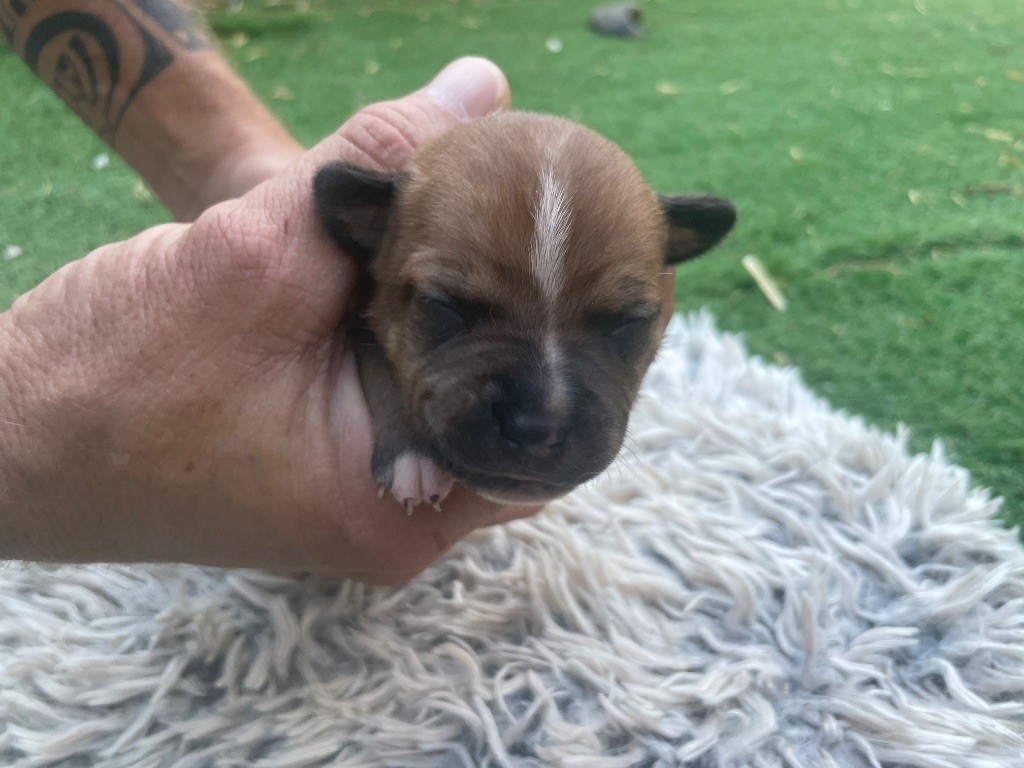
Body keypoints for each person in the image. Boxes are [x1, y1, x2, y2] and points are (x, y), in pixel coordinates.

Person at [0, 0, 674, 581]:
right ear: (369, 230)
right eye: (449, 311)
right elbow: (357, 327)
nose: (543, 414)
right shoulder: (376, 266)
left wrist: (240, 172)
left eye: (621, 326)